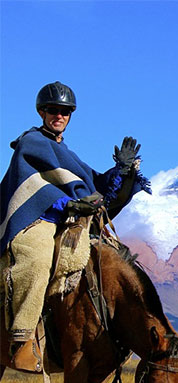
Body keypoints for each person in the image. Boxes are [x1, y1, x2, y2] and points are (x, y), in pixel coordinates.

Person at [0, 81, 151, 367]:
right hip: (36, 220)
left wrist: (123, 170)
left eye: (66, 111)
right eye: (54, 110)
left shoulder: (64, 151)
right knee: (37, 258)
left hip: (69, 222)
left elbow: (90, 185)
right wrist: (65, 203)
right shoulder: (31, 143)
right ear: (42, 112)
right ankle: (21, 338)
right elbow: (30, 187)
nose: (60, 115)